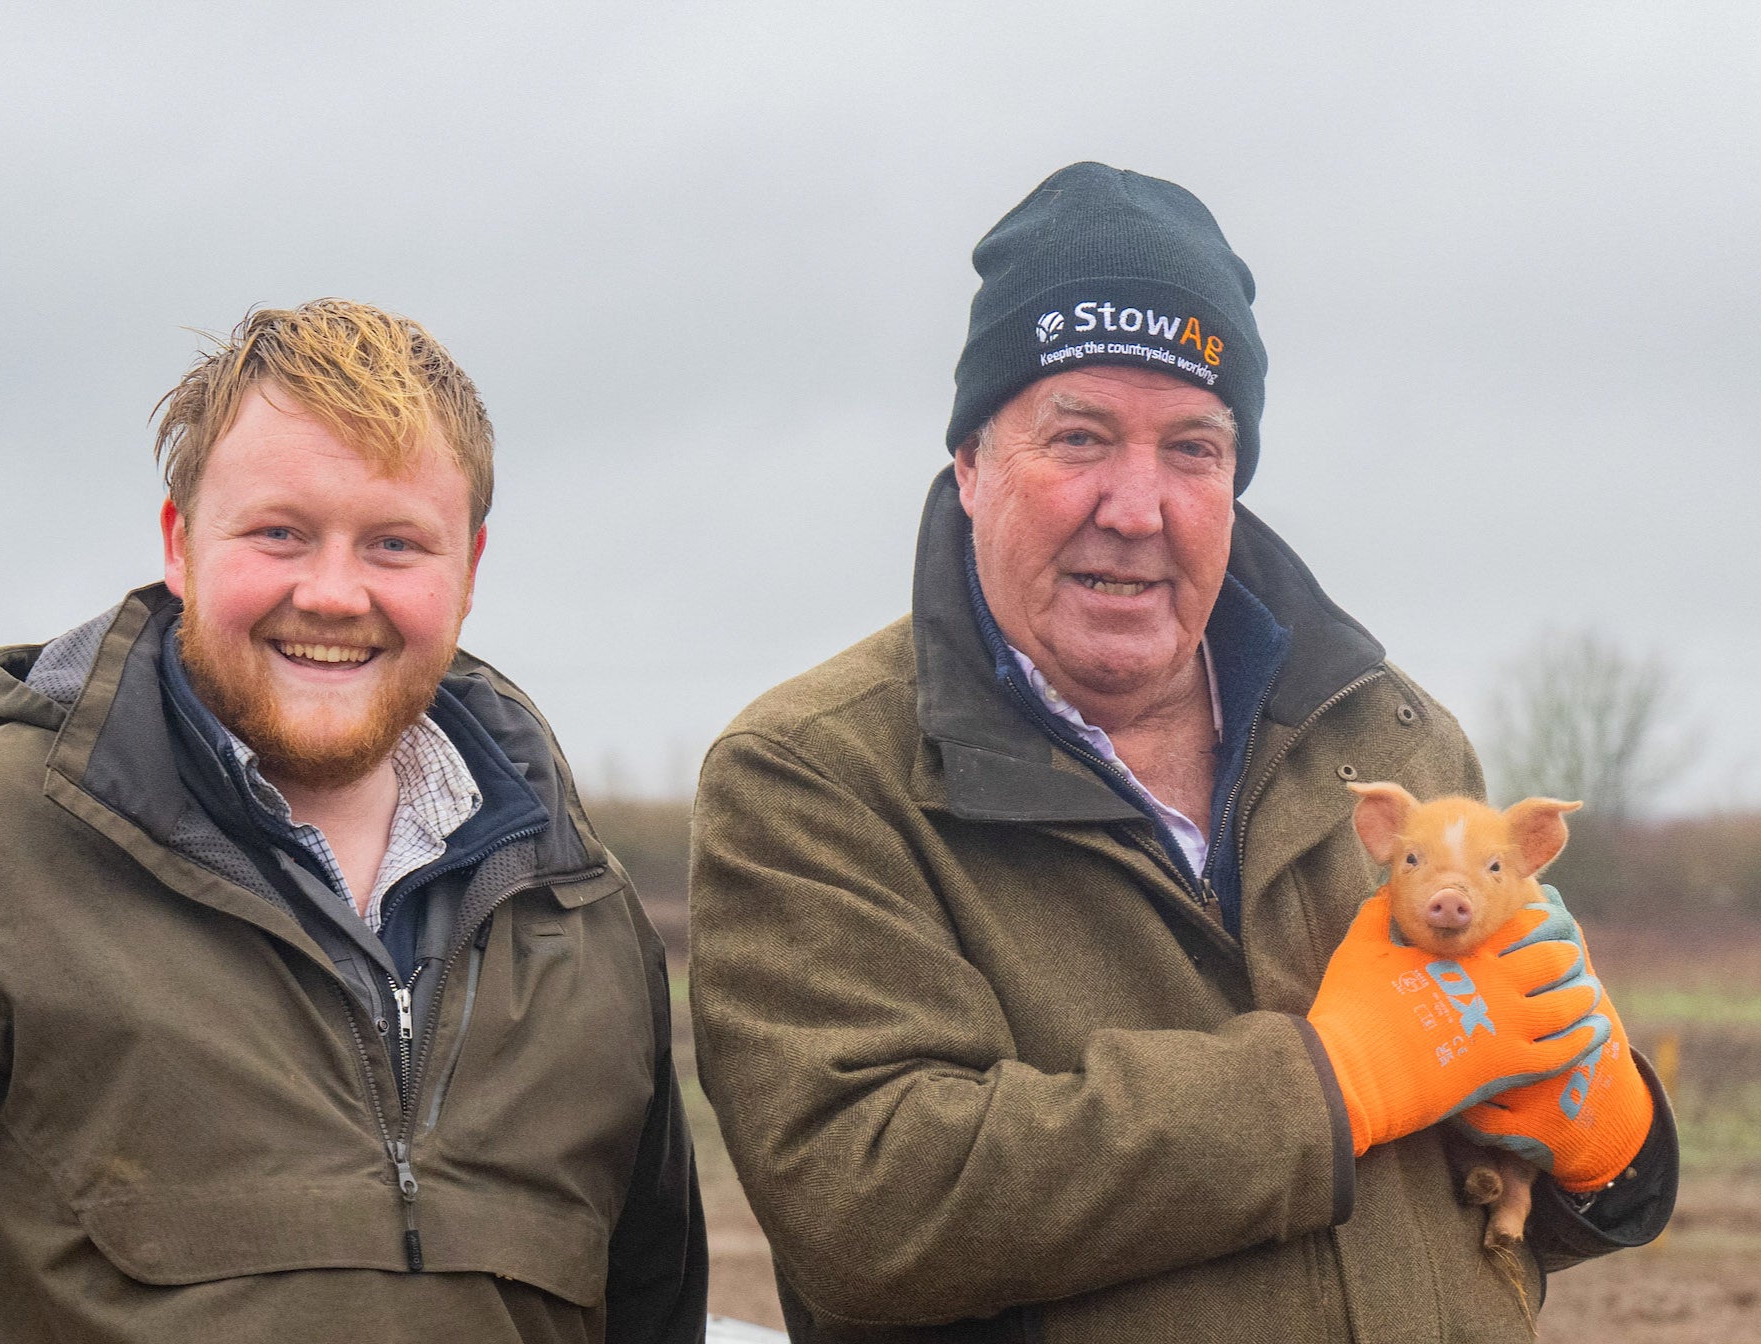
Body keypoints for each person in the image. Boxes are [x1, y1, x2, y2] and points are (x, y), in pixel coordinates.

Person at [687, 165, 1677, 1342]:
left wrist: (1604, 1145)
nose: (1136, 504)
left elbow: (1465, 1212)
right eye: (1079, 436)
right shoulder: (811, 779)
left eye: (1192, 449)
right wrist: (1324, 1084)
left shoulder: (1380, 734)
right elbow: (872, 1205)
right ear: (969, 463)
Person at [0, 300, 706, 1343]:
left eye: (395, 544)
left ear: (470, 572)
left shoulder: (581, 918)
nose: (332, 592)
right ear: (180, 543)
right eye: (280, 533)